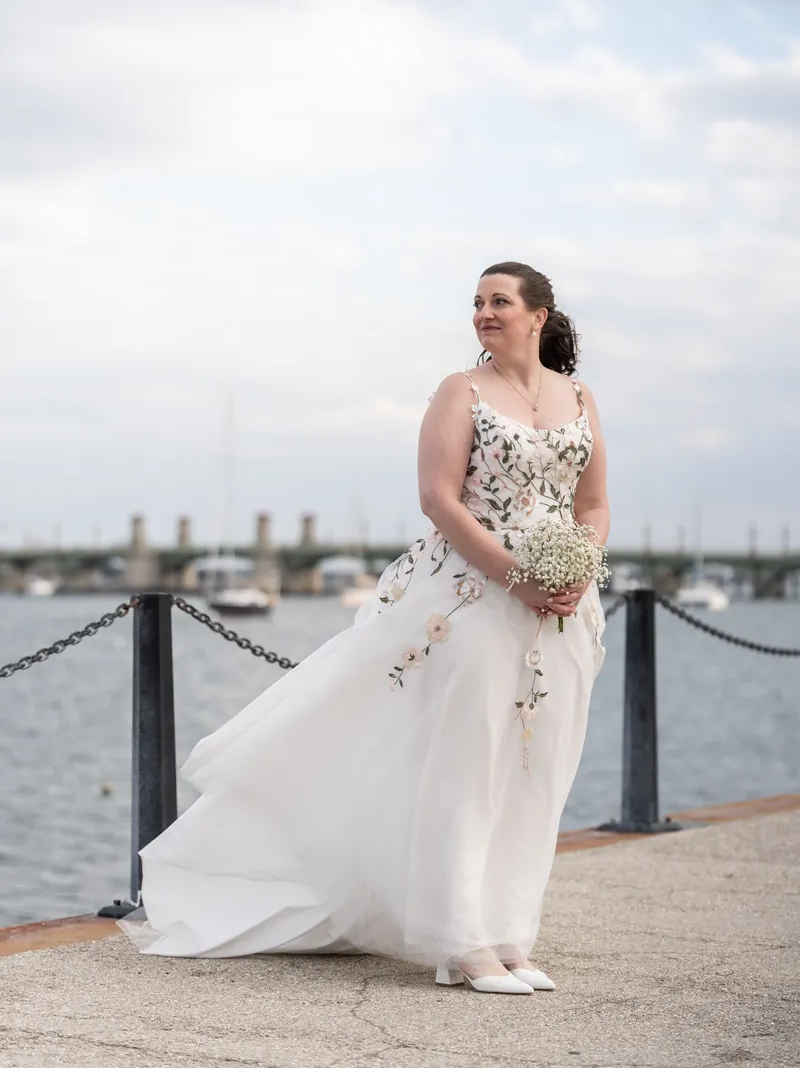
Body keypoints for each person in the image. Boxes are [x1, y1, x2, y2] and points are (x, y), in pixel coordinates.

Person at [119, 261, 609, 997]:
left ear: (539, 315)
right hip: (472, 599)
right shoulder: (460, 392)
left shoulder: (579, 396)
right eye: (475, 303)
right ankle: (463, 944)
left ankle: (511, 935)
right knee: (466, 767)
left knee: (534, 772)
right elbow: (440, 501)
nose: (483, 313)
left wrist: (578, 568)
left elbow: (595, 503)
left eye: (498, 301)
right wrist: (517, 578)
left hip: (563, 611)